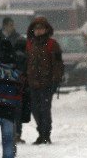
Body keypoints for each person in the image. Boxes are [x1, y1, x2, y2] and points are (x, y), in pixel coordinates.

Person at [25, 17, 64, 145]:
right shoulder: (29, 44)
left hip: (47, 83)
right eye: (36, 28)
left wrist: (55, 81)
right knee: (35, 110)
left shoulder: (52, 44)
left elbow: (58, 65)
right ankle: (41, 133)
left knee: (45, 109)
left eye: (41, 28)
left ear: (46, 29)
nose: (38, 31)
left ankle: (45, 134)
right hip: (32, 83)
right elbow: (26, 63)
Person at [13, 38, 31, 145]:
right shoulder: (25, 57)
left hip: (11, 88)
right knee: (18, 113)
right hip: (22, 88)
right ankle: (17, 134)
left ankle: (12, 133)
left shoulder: (11, 57)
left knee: (12, 113)